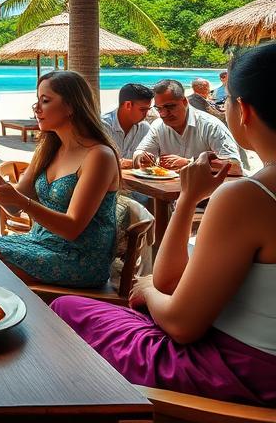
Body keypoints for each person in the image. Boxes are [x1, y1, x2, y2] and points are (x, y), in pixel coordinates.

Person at [52, 43, 276, 406]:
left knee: (66, 309)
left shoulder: (249, 197)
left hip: (239, 374)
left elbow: (180, 323)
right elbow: (174, 282)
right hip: (255, 362)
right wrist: (187, 198)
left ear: (244, 110)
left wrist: (146, 287)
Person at [0, 70, 120, 288]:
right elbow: (13, 207)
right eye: (37, 100)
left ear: (71, 106)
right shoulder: (49, 149)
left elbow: (72, 228)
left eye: (45, 100)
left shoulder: (99, 156)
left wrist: (21, 201)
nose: (36, 108)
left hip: (79, 259)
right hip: (38, 243)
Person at [133, 79, 241, 174]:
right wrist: (141, 158)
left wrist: (190, 163)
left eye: (170, 106)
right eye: (159, 108)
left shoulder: (210, 126)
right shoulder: (158, 126)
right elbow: (140, 152)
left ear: (184, 102)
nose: (164, 114)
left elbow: (235, 166)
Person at [101, 83, 153, 168]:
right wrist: (134, 163)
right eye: (143, 109)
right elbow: (100, 162)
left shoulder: (145, 128)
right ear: (128, 105)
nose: (146, 114)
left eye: (148, 109)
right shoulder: (103, 126)